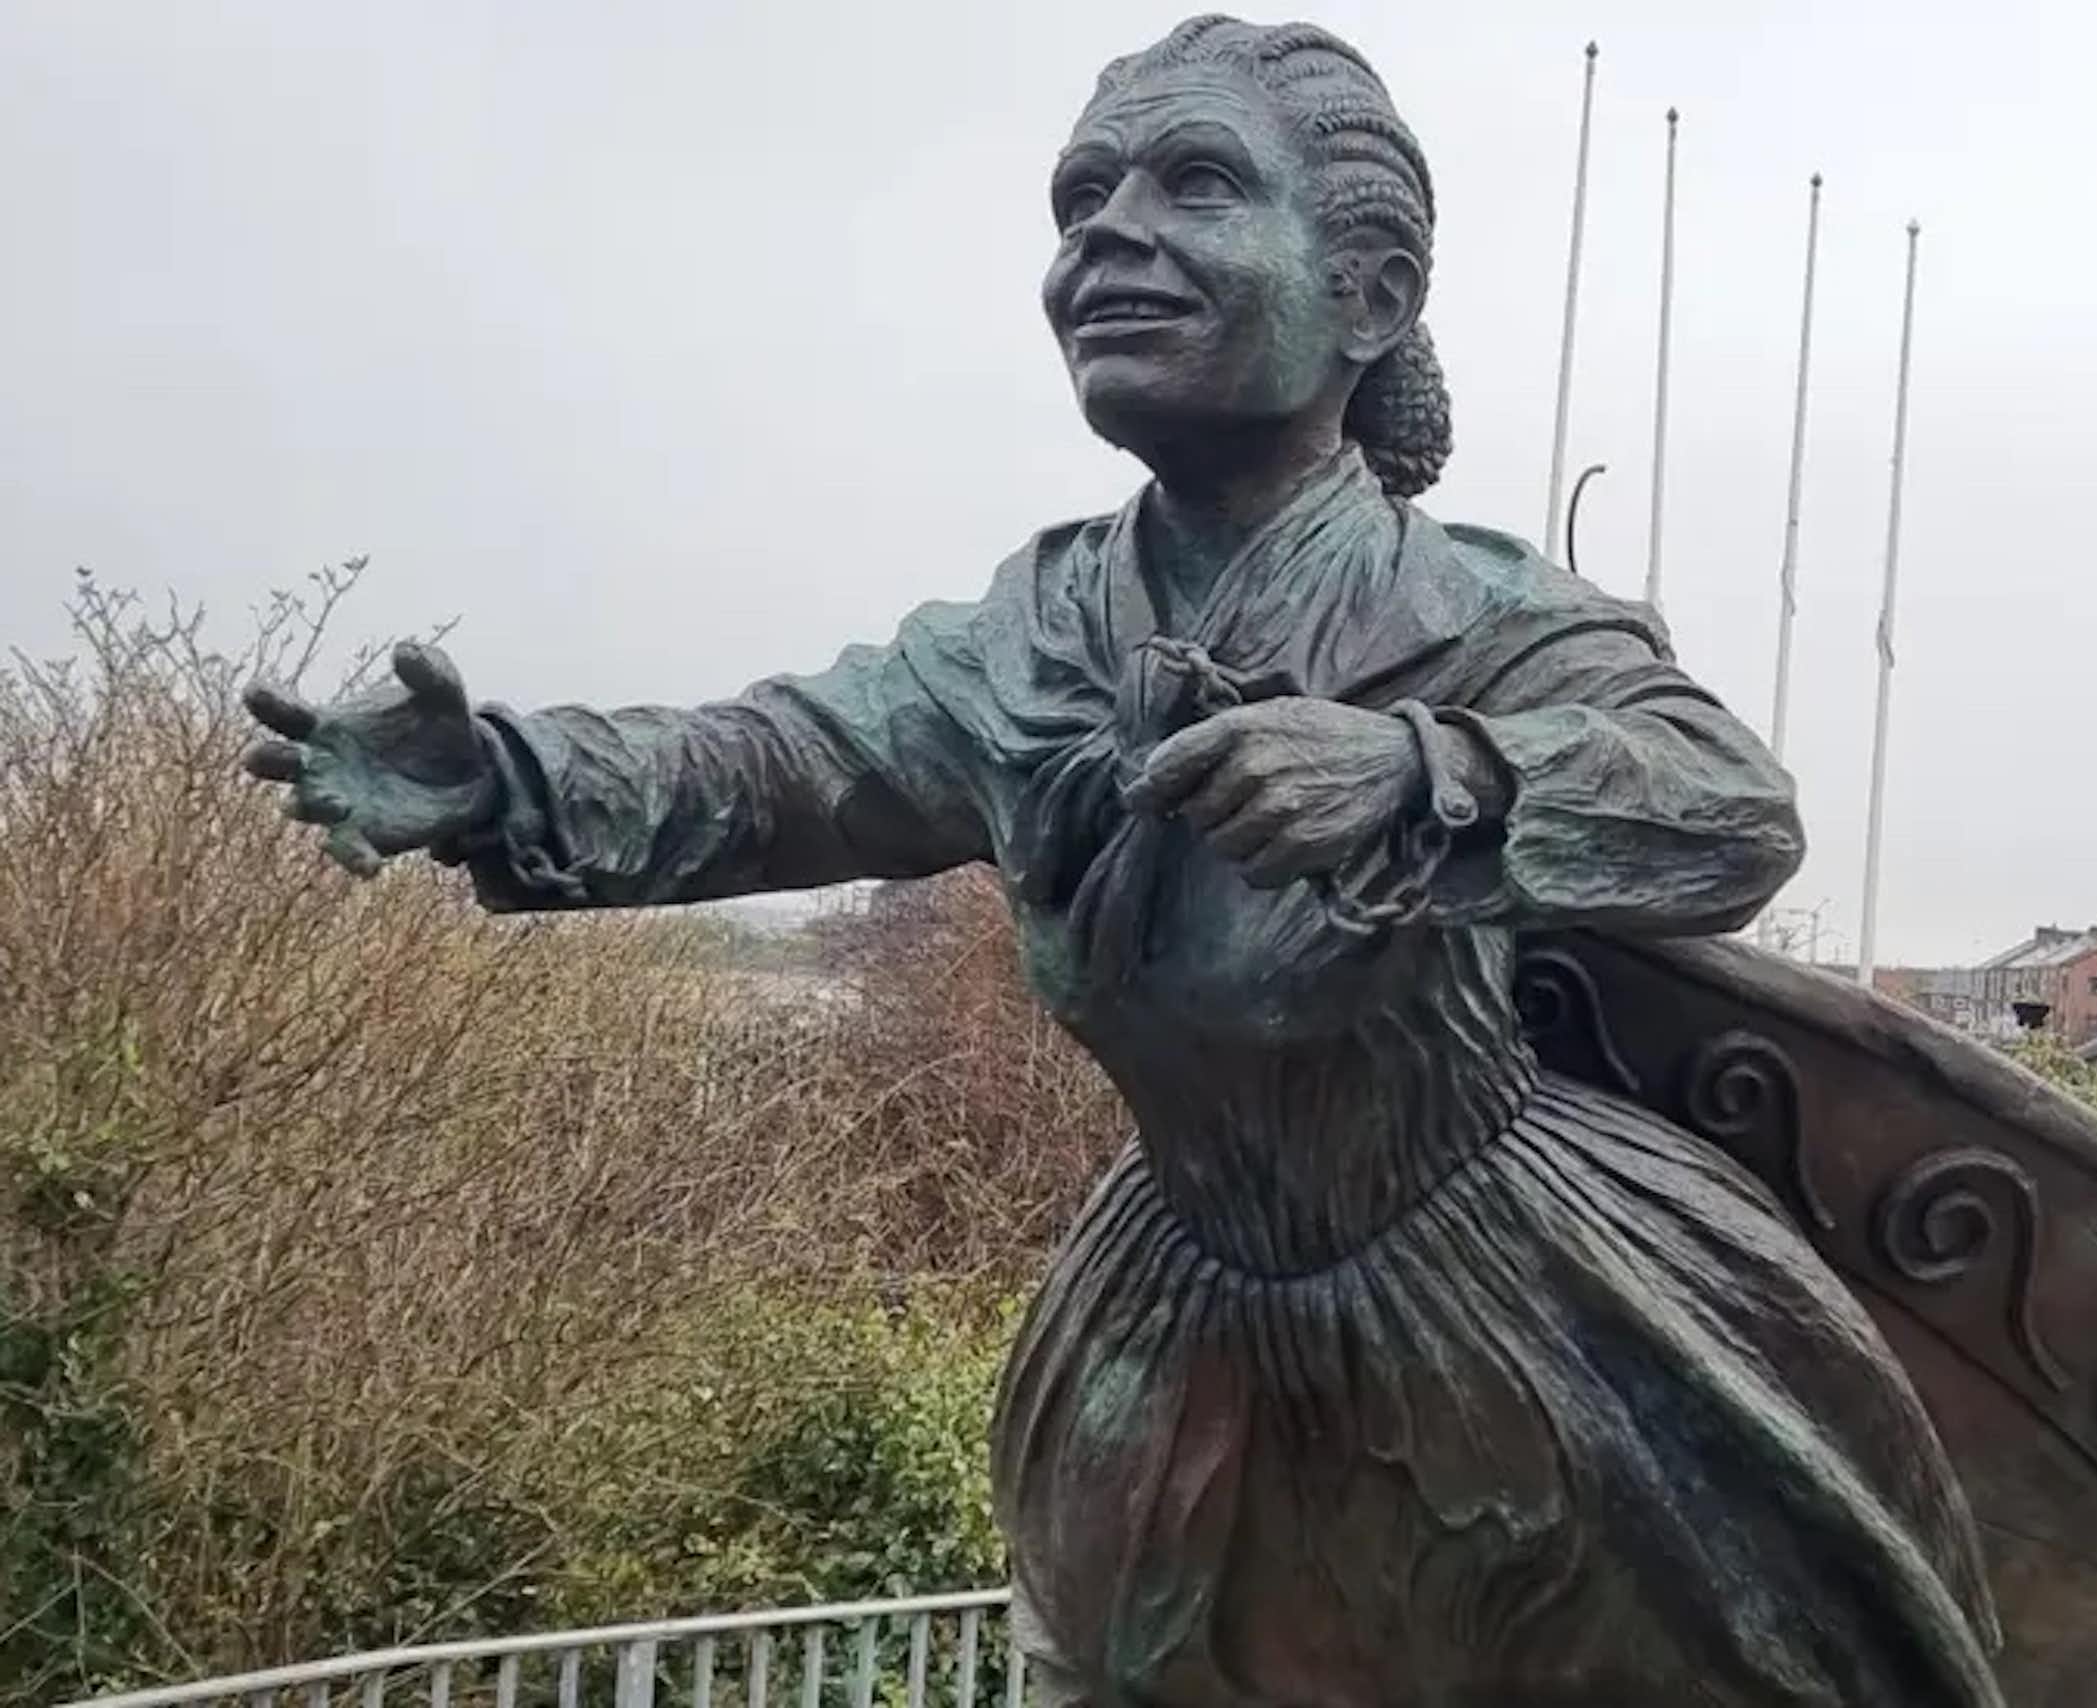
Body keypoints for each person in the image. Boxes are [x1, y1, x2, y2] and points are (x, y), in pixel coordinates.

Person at [244, 17, 2003, 1705]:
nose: (1111, 243)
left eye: (1192, 189)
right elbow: (783, 755)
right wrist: (508, 777)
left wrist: (1427, 773)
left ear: (1370, 299)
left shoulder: (1473, 608)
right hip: (1178, 1306)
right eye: (1082, 203)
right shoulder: (1035, 628)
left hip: (1528, 1285)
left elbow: (1726, 804)